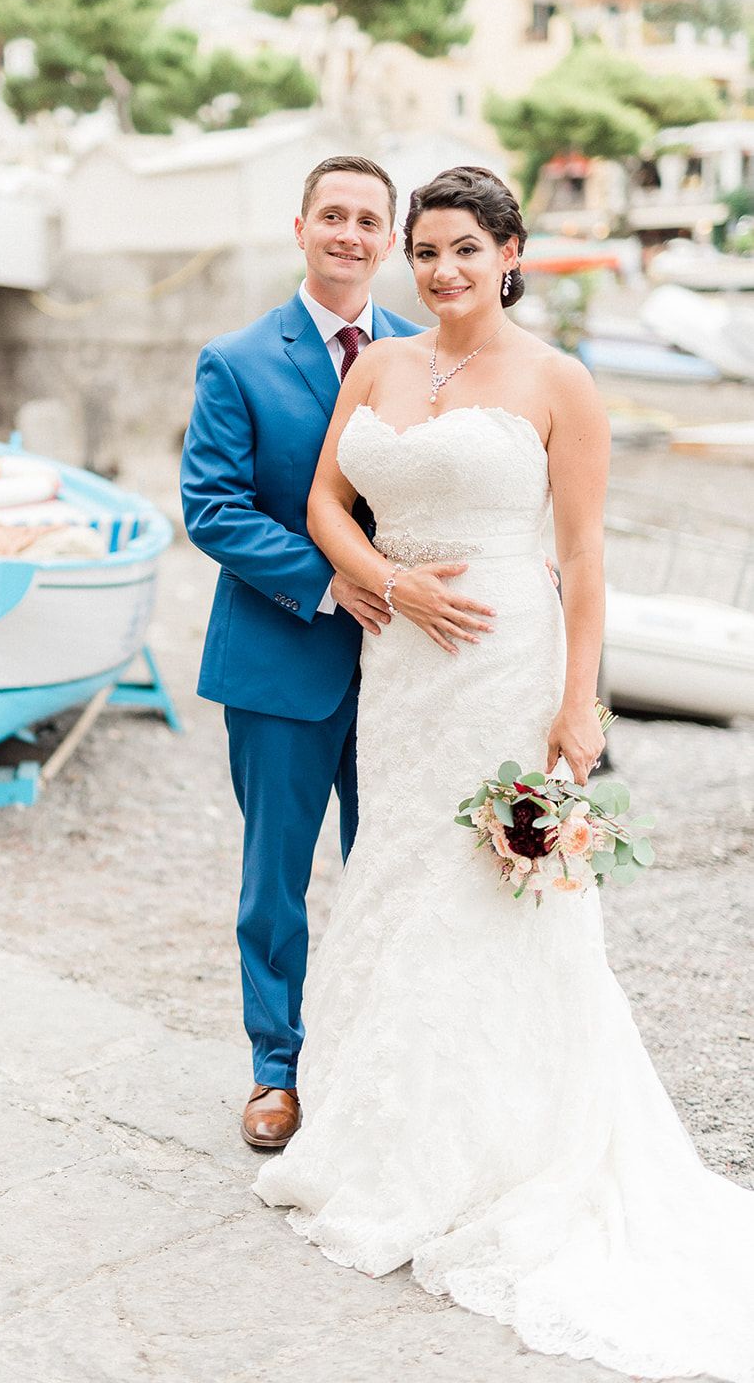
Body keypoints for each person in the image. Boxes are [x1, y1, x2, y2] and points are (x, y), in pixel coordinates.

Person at [253, 166, 754, 1381]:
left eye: (466, 249)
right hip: (405, 664)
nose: (441, 271)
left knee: (496, 893)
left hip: (507, 669)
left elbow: (584, 559)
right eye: (424, 251)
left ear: (511, 252)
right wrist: (382, 576)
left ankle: (500, 1149)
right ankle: (383, 1129)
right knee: (392, 876)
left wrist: (581, 703)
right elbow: (325, 496)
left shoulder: (557, 381)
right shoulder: (376, 367)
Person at [181, 156, 500, 1150]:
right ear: (302, 226)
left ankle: (372, 1057)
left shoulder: (426, 350)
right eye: (334, 215)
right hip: (283, 656)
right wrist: (335, 581)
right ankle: (276, 1071)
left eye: (370, 220)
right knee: (276, 880)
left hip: (407, 666)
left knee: (393, 866)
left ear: (388, 242)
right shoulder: (236, 360)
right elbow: (212, 508)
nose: (351, 234)